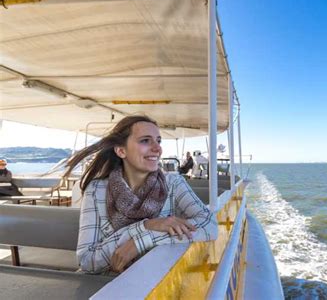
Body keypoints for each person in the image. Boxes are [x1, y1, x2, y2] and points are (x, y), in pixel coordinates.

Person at [64, 115, 217, 274]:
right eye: (145, 140)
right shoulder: (96, 190)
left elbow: (210, 225)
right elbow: (87, 260)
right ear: (121, 150)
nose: (157, 148)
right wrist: (146, 225)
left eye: (158, 141)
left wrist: (141, 241)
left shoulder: (173, 183)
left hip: (160, 279)